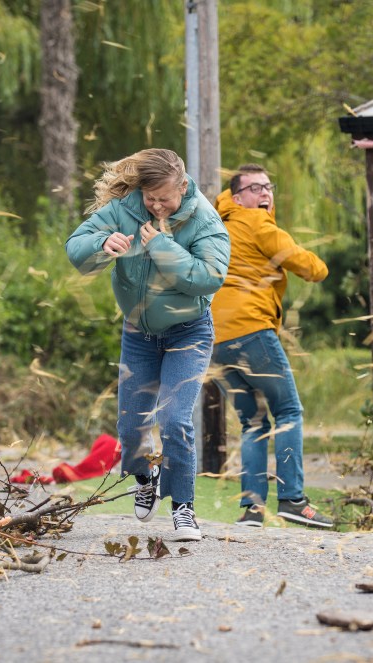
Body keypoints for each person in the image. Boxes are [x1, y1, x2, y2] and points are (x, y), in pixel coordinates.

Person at [65, 148, 230, 542]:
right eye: (149, 197)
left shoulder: (206, 220)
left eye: (164, 198)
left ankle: (184, 509)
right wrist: (102, 244)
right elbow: (76, 246)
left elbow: (208, 277)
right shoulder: (126, 208)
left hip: (188, 332)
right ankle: (146, 475)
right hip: (138, 332)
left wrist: (160, 246)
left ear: (183, 187)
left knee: (175, 420)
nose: (156, 205)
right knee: (130, 425)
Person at [210, 164, 333, 529]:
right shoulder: (257, 223)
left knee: (253, 422)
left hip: (214, 340)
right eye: (254, 188)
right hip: (251, 331)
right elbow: (308, 266)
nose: (264, 194)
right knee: (289, 412)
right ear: (237, 198)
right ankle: (293, 500)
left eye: (268, 186)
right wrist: (320, 265)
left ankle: (252, 509)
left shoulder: (216, 226)